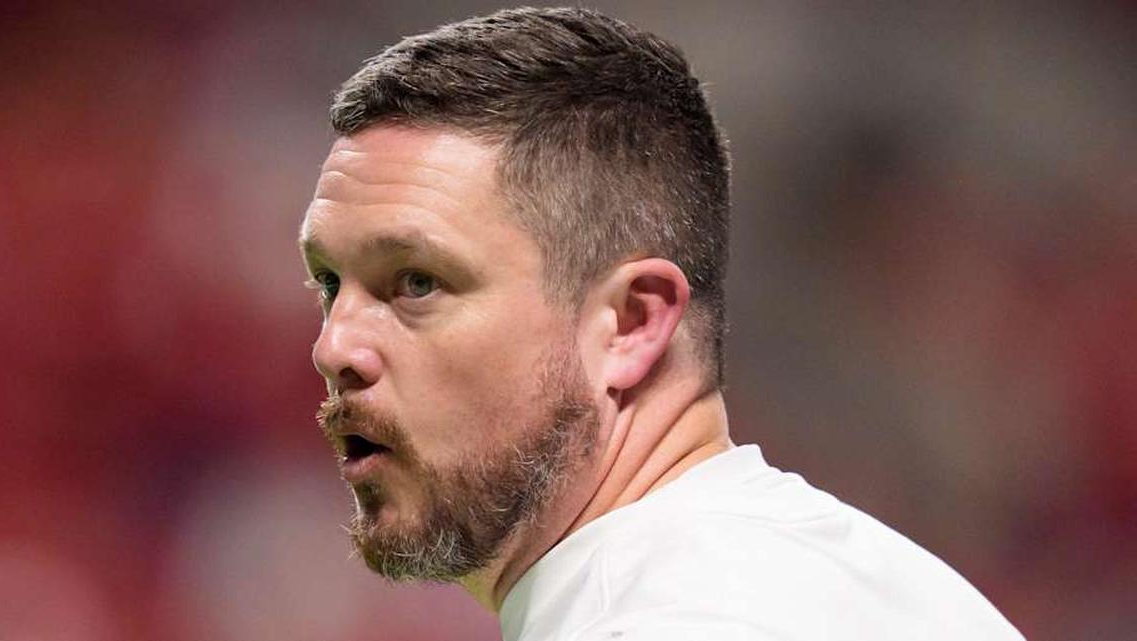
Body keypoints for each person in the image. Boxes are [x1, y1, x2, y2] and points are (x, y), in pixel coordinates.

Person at [298, 7, 1025, 640]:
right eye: (330, 282)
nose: (335, 347)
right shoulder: (875, 585)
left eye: (417, 282)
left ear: (631, 321)